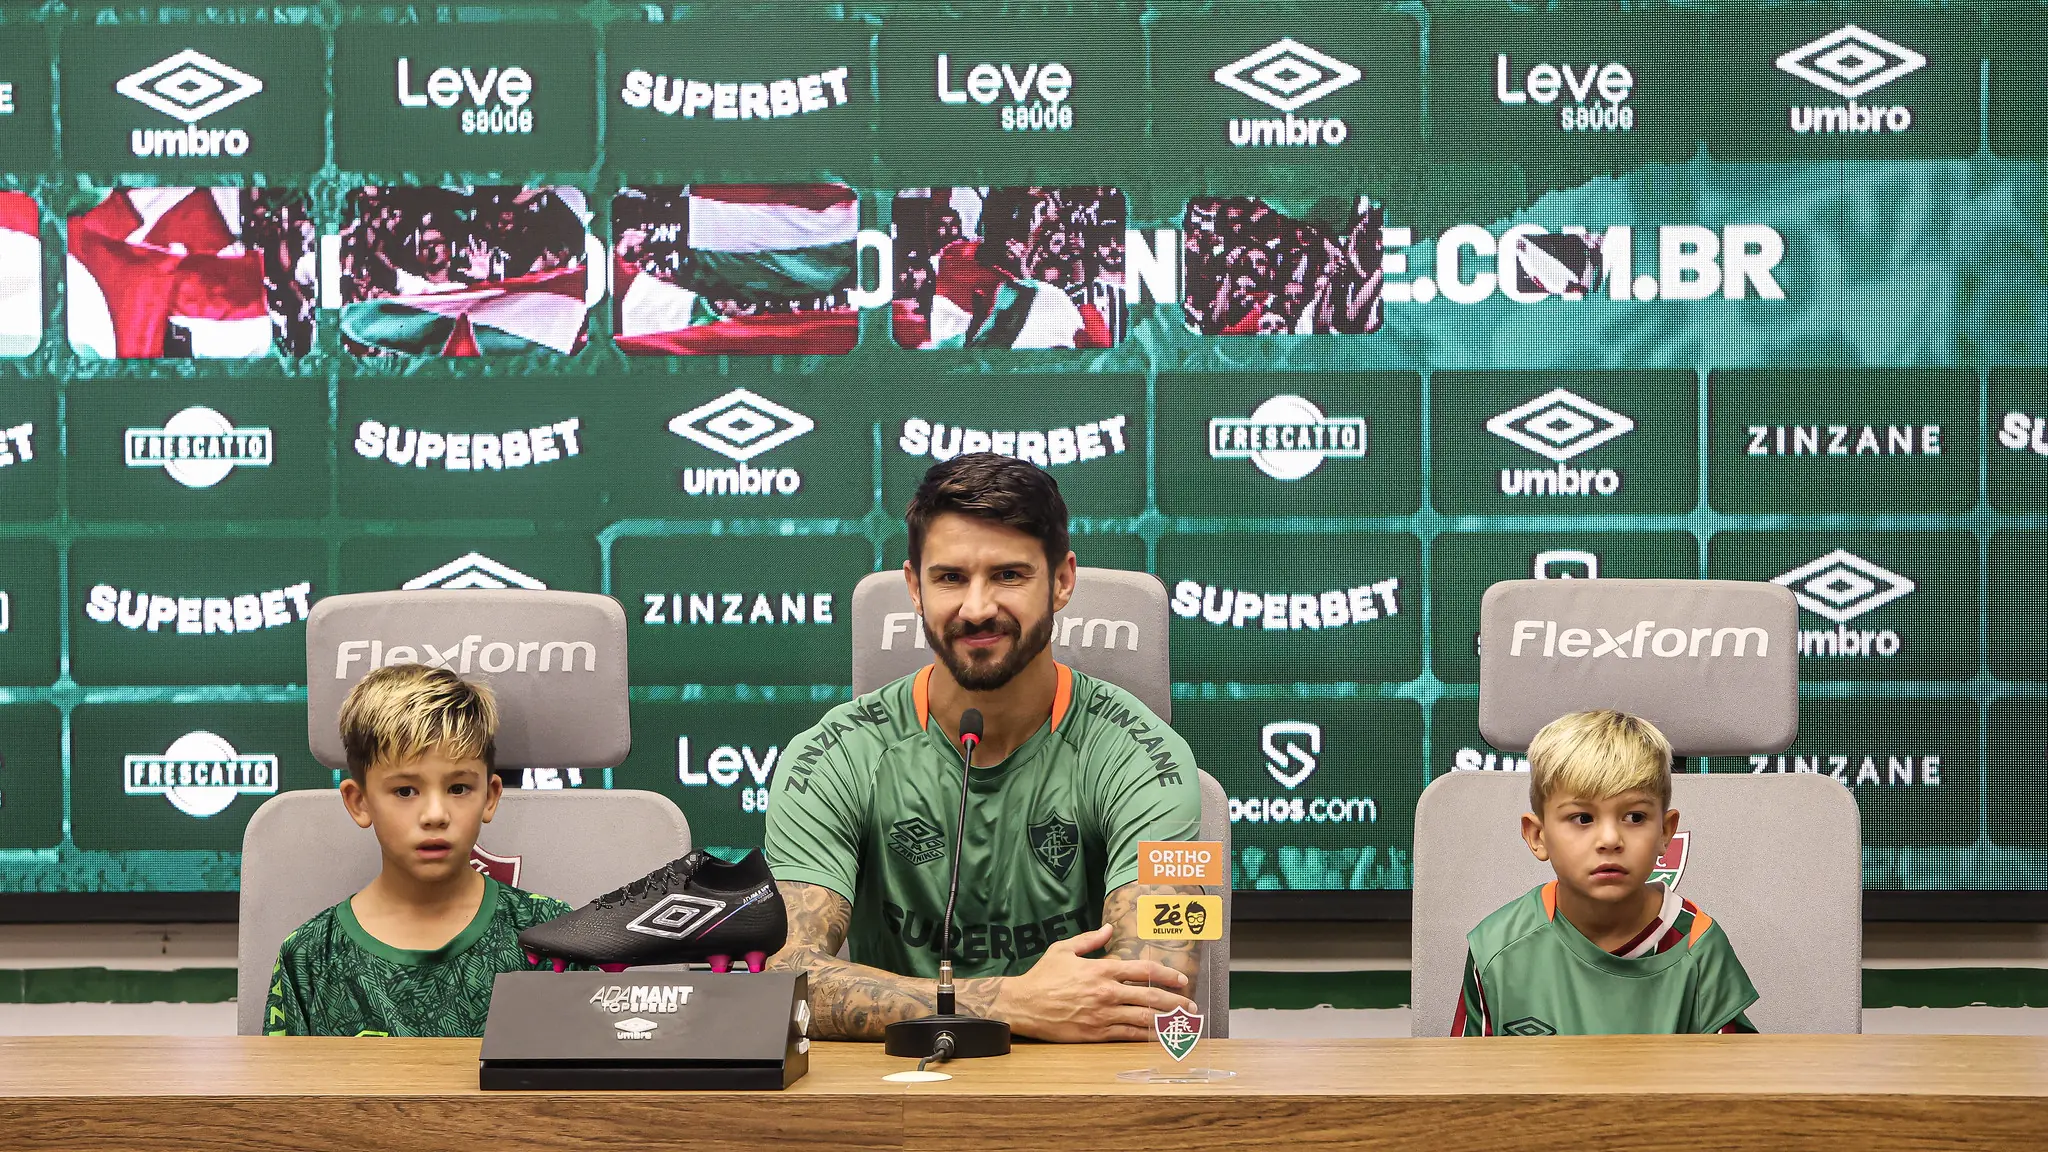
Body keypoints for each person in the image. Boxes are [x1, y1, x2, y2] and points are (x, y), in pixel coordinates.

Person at [765, 453, 1206, 1042]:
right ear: (914, 588)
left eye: (1008, 575)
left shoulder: (1149, 758)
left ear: (1063, 581)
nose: (976, 609)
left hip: (1080, 1089)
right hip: (897, 1087)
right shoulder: (830, 755)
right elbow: (781, 982)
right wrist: (1012, 1002)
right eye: (950, 578)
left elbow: (1160, 993)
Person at [263, 665, 576, 1036]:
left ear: (490, 797)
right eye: (405, 791)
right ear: (359, 802)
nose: (435, 815)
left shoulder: (551, 938)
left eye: (458, 788)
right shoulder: (310, 957)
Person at [1454, 709, 1759, 1036]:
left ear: (1665, 832)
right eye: (1583, 819)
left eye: (1635, 817)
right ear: (1537, 836)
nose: (1610, 839)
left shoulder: (1698, 946)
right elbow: (1469, 1069)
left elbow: (1732, 1069)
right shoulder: (1497, 947)